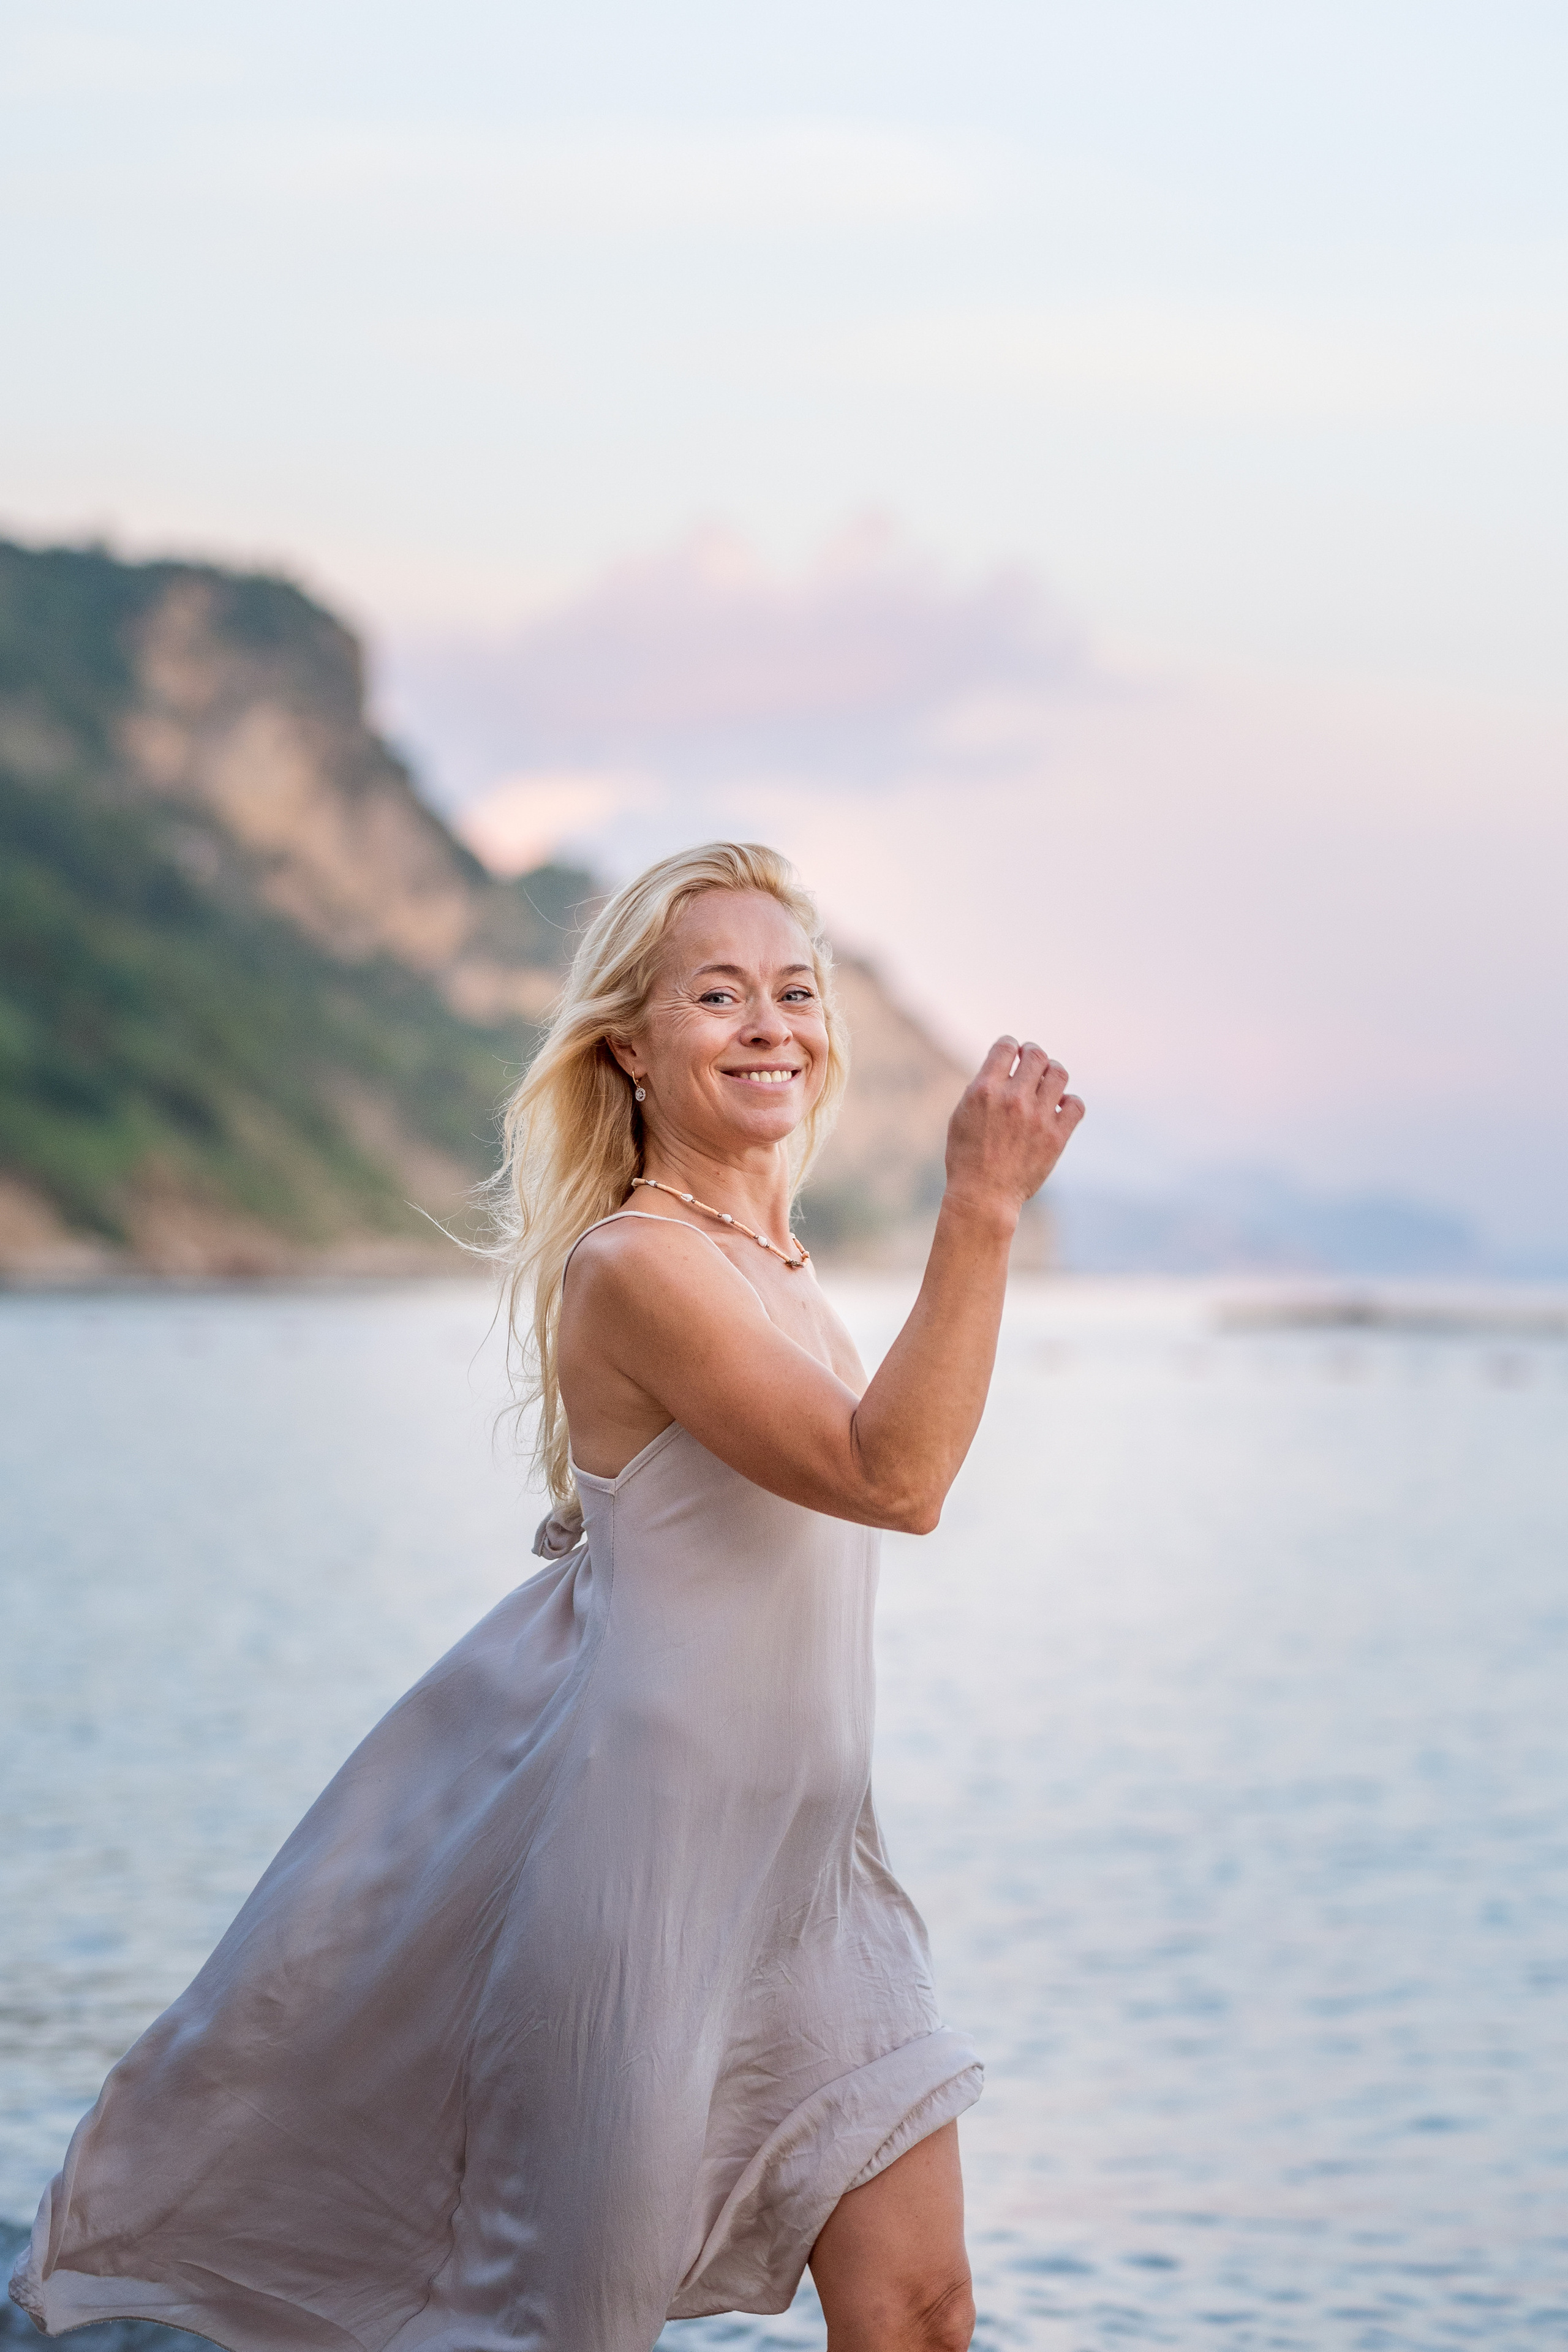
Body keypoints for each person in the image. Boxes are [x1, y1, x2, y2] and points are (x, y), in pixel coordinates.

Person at [12, 842, 1082, 2352]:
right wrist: (979, 1207)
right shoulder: (634, 1267)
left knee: (919, 2310)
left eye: (793, 990)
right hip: (643, 1889)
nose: (770, 1022)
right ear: (629, 1050)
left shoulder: (772, 1266)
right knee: (566, 2330)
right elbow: (891, 1476)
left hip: (815, 1878)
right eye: (717, 994)